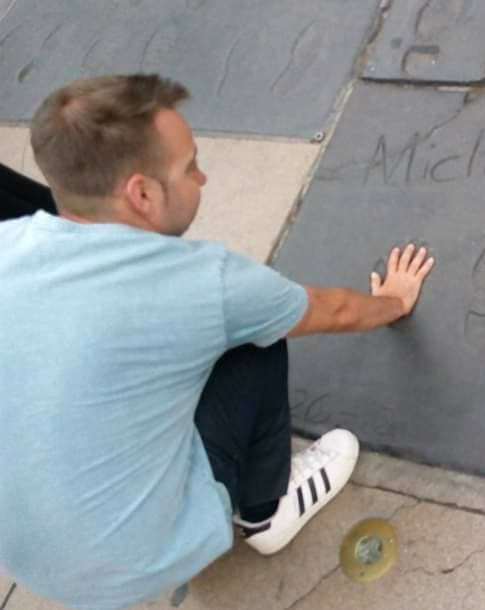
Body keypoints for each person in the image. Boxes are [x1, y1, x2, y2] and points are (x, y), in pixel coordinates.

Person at [0, 74, 435, 610]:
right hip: (133, 567)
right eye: (189, 167)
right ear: (141, 193)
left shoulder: (8, 245)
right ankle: (266, 511)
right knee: (257, 341)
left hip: (33, 561)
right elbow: (337, 311)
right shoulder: (207, 285)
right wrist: (395, 301)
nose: (202, 177)